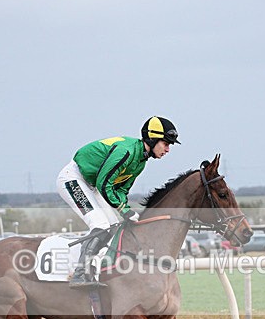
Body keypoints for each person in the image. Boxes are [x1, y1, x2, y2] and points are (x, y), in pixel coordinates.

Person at [57, 116, 180, 287]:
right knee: (100, 224)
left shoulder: (140, 162)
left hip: (93, 185)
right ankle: (79, 274)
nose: (167, 149)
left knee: (114, 225)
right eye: (166, 144)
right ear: (152, 139)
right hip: (73, 179)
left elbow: (121, 190)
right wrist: (124, 210)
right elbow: (104, 183)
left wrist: (127, 211)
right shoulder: (126, 152)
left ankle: (97, 270)